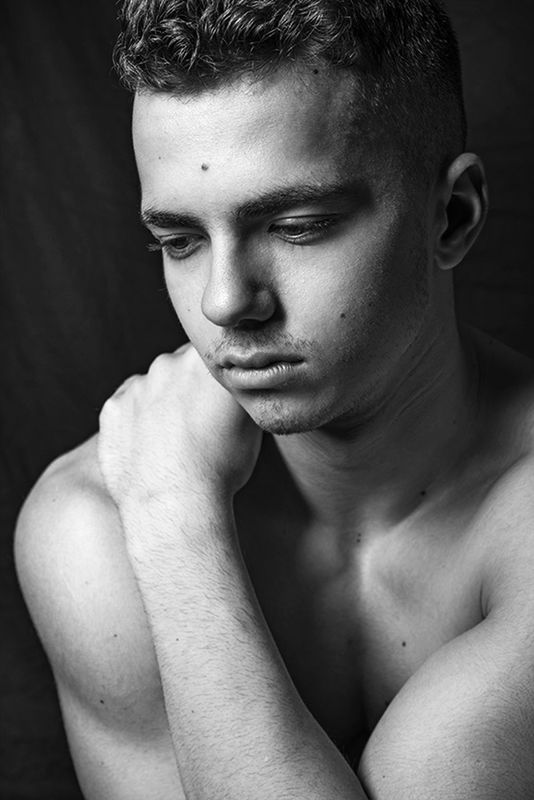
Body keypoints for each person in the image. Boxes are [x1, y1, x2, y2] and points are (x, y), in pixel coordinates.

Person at [14, 0, 534, 797]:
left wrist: (176, 529)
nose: (225, 301)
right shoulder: (95, 527)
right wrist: (170, 520)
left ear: (452, 215)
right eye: (179, 241)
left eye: (297, 225)